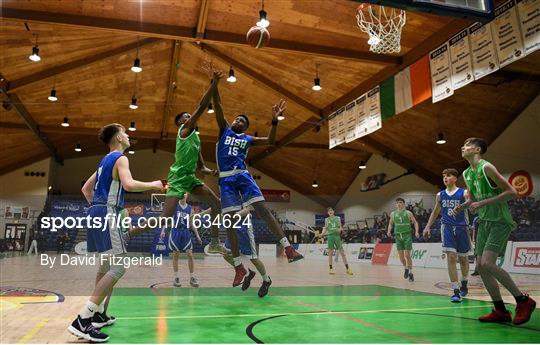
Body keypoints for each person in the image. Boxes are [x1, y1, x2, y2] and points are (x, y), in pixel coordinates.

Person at [67, 123, 163, 342]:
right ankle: (83, 319)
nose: (128, 135)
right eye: (126, 133)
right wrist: (154, 185)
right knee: (118, 267)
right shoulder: (121, 158)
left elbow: (86, 189)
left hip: (96, 212)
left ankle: (99, 314)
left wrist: (97, 209)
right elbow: (128, 185)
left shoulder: (103, 162)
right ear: (119, 137)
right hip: (107, 213)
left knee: (106, 266)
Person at [212, 82, 303, 286]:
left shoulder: (247, 139)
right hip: (226, 179)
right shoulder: (224, 130)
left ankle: (288, 248)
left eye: (242, 121)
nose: (238, 121)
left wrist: (274, 120)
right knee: (229, 223)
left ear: (246, 127)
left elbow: (270, 141)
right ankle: (238, 267)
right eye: (237, 118)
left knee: (263, 209)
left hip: (243, 175)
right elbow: (217, 105)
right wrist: (215, 83)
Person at [453, 138, 536, 325]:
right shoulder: (466, 173)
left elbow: (512, 192)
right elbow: (473, 199)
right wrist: (463, 206)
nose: (462, 147)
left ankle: (523, 300)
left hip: (500, 220)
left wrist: (483, 203)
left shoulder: (486, 167)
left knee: (488, 263)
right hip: (485, 222)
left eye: (466, 145)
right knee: (481, 267)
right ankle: (500, 310)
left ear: (477, 149)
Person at [160, 65, 228, 256]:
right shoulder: (184, 131)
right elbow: (201, 106)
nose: (190, 117)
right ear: (181, 123)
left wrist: (209, 171)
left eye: (190, 117)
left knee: (217, 205)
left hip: (190, 177)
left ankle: (215, 242)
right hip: (177, 177)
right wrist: (214, 83)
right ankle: (130, 233)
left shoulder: (195, 138)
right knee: (163, 220)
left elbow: (201, 166)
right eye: (186, 117)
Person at [423, 168, 471, 302]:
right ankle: (455, 291)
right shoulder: (440, 195)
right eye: (444, 176)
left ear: (455, 178)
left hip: (462, 228)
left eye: (448, 176)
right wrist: (427, 226)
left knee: (463, 259)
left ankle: (465, 282)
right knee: (451, 258)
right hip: (447, 227)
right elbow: (435, 212)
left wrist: (463, 206)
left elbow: (471, 204)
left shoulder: (464, 192)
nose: (445, 178)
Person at [222, 206, 272, 297]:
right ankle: (247, 273)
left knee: (254, 259)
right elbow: (214, 206)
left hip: (244, 230)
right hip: (233, 229)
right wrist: (199, 215)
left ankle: (266, 280)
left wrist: (233, 216)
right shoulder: (226, 195)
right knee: (225, 254)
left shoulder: (242, 193)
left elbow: (246, 210)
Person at [161, 193, 202, 288]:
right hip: (175, 231)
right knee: (176, 255)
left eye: (185, 193)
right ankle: (176, 278)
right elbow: (167, 219)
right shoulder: (174, 206)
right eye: (182, 193)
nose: (183, 195)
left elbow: (192, 223)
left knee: (190, 254)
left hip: (186, 232)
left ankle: (192, 277)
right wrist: (163, 230)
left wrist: (197, 235)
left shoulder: (190, 208)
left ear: (187, 195)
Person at [387, 198, 419, 282]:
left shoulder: (408, 213)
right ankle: (406, 268)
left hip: (407, 236)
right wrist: (388, 231)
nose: (399, 204)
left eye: (400, 202)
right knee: (401, 258)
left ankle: (411, 273)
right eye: (397, 203)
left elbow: (415, 222)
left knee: (407, 255)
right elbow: (390, 224)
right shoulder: (393, 214)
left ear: (404, 204)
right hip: (398, 236)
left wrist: (416, 232)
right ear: (395, 204)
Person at [320, 207, 352, 275]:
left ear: (333, 211)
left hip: (337, 237)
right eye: (329, 211)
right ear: (328, 213)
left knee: (342, 253)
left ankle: (347, 269)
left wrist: (340, 229)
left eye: (331, 210)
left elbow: (340, 227)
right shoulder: (326, 219)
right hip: (330, 236)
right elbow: (325, 228)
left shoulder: (338, 218)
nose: (330, 211)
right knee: (330, 253)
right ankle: (331, 268)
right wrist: (321, 234)